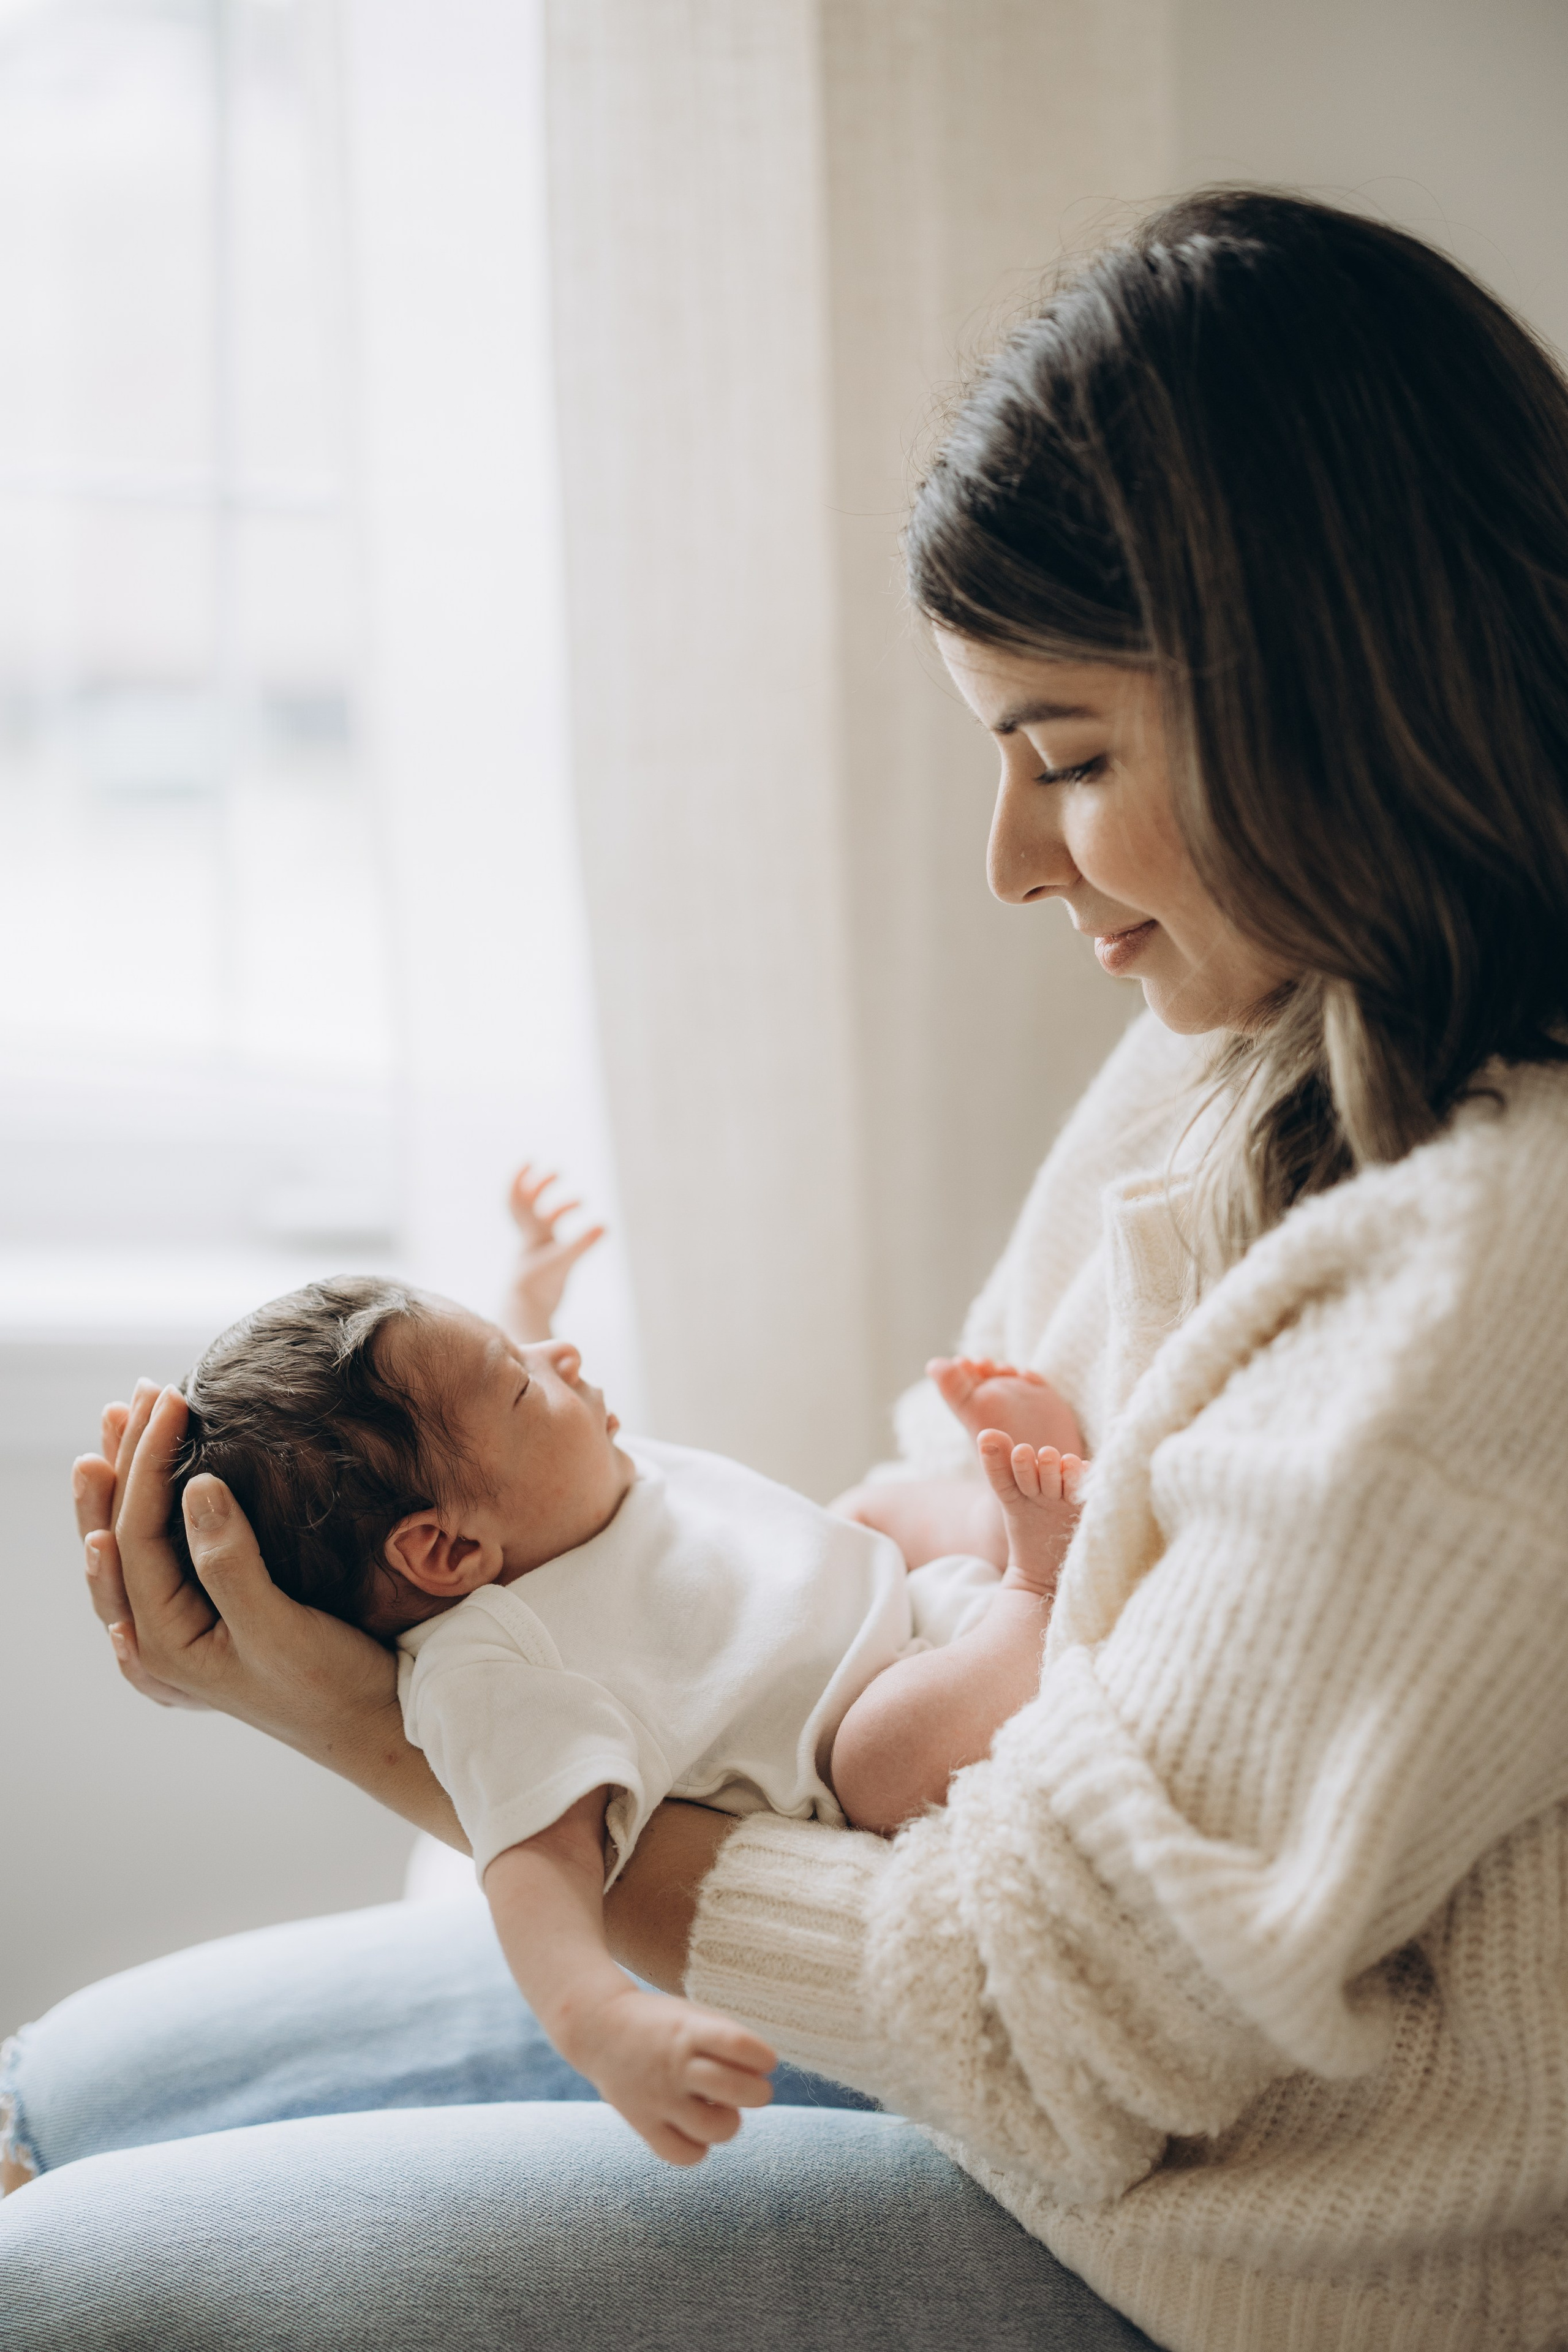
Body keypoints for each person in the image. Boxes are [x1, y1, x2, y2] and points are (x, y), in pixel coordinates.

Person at [6, 183, 1568, 2351]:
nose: (1010, 859)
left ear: (1334, 700)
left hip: (1244, 2223)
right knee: (60, 2091)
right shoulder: (1244, 1022)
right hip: (983, 1970)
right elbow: (951, 1464)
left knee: (67, 2288)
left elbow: (1069, 2028)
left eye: (1069, 757)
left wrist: (423, 1742)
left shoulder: (1493, 1289)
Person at [153, 1234, 1084, 2164]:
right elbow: (535, 1863)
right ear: (446, 1551)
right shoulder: (494, 1669)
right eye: (522, 1382)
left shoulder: (551, 1489)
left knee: (867, 1511)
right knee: (881, 1759)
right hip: (880, 1722)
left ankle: (1004, 1511)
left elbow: (467, 1423)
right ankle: (1039, 1583)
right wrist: (594, 2018)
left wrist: (526, 1304)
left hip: (893, 1599)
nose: (559, 1358)